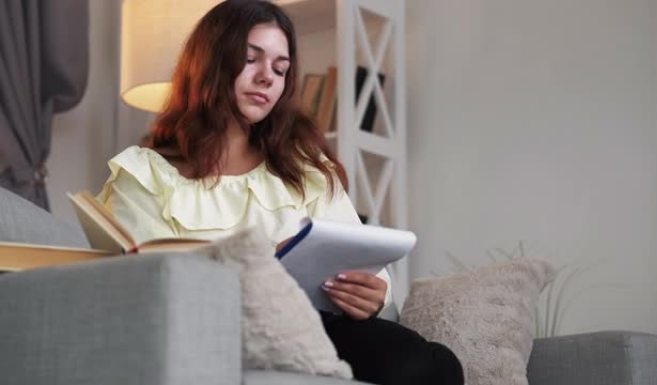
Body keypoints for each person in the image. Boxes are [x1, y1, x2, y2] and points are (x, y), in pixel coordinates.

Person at [98, 1, 464, 384]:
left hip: (314, 326)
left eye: (280, 68)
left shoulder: (305, 169)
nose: (267, 78)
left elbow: (368, 267)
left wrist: (372, 295)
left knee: (435, 364)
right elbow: (142, 287)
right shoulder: (143, 173)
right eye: (251, 59)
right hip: (209, 332)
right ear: (210, 61)